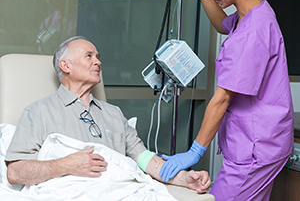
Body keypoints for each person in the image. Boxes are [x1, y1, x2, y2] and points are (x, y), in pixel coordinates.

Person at [159, 0, 294, 201]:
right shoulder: (254, 13)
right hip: (261, 140)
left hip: (258, 145)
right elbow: (222, 23)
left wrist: (195, 151)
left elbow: (222, 99)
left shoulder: (252, 33)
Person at [5, 36, 211, 195]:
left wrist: (185, 179)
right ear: (65, 66)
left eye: (98, 57)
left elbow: (145, 159)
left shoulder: (113, 114)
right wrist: (66, 165)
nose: (98, 62)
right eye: (89, 56)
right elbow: (16, 173)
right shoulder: (39, 111)